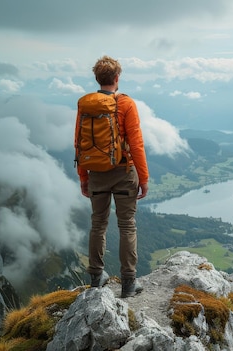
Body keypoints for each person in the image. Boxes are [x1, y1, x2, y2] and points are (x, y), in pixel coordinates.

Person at [75, 55, 149, 298]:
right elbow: (136, 144)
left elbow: (79, 143)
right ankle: (128, 283)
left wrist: (83, 176)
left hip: (96, 172)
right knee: (127, 225)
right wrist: (144, 177)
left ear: (97, 78)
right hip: (123, 172)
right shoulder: (126, 104)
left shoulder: (85, 104)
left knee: (98, 224)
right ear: (117, 78)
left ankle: (96, 277)